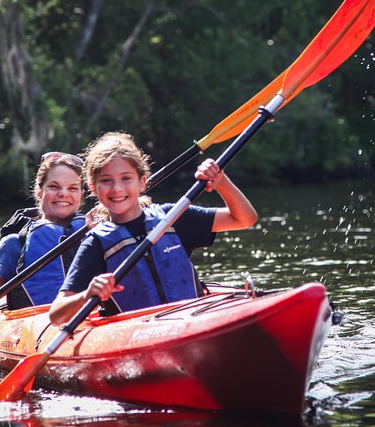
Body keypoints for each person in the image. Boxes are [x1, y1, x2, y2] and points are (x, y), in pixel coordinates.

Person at [48, 132, 257, 325]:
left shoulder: (173, 217)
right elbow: (57, 315)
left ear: (142, 182)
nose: (117, 188)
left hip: (192, 321)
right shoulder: (96, 244)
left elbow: (245, 219)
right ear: (94, 188)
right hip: (139, 336)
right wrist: (87, 294)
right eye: (106, 181)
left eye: (126, 178)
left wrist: (221, 182)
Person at [0, 152, 88, 331]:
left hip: (90, 327)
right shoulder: (15, 245)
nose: (63, 194)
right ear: (39, 191)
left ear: (82, 194)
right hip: (34, 331)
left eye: (72, 188)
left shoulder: (96, 236)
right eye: (54, 186)